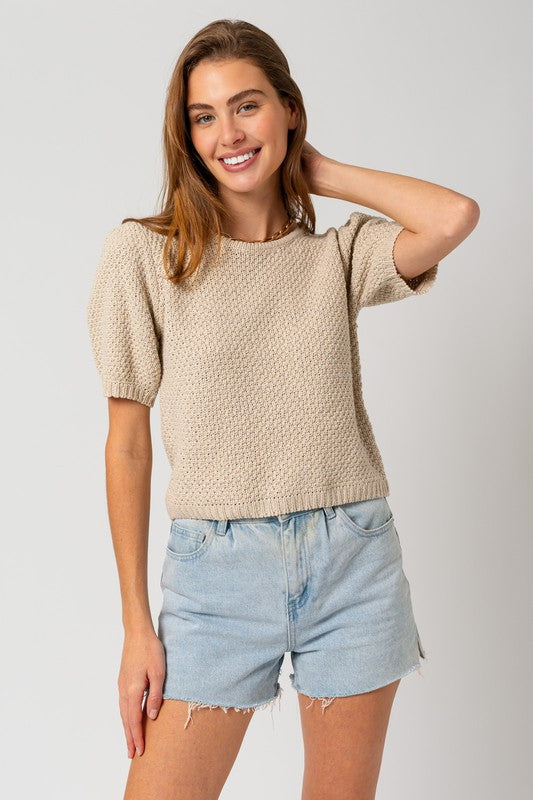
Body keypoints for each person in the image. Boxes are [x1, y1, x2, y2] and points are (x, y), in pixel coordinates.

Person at [86, 17, 479, 800]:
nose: (226, 133)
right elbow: (126, 445)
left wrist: (318, 172)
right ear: (184, 132)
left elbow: (452, 217)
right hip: (215, 578)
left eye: (247, 106)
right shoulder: (147, 256)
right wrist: (136, 626)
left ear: (288, 110)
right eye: (203, 116)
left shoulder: (335, 258)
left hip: (352, 564)